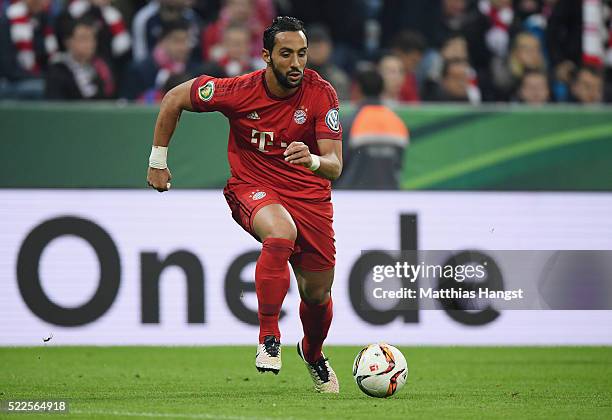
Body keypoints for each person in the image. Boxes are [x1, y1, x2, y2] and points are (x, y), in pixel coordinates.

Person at [146, 16, 342, 393]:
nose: (297, 64)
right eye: (286, 54)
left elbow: (334, 165)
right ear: (266, 56)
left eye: (302, 54)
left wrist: (314, 160)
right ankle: (269, 336)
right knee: (280, 232)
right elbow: (174, 98)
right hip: (252, 186)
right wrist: (157, 161)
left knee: (317, 294)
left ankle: (313, 354)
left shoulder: (322, 93)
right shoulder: (238, 90)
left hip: (309, 196)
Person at [335, 67, 409, 190]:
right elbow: (398, 166)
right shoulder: (398, 123)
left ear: (357, 89)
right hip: (390, 196)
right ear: (382, 90)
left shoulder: (349, 123)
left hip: (352, 198)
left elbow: (336, 166)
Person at [45, 18, 115, 100]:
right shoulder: (58, 70)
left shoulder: (101, 66)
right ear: (68, 42)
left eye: (92, 38)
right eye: (84, 38)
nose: (90, 43)